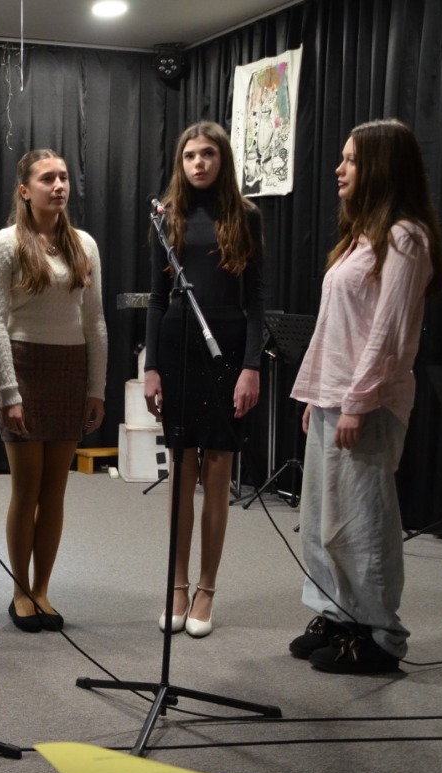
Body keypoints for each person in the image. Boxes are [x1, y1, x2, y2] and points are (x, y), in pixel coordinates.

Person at [287, 118, 442, 674]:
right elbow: (335, 326)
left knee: (363, 523)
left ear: (379, 168)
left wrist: (356, 402)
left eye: (351, 160)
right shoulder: (361, 237)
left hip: (369, 404)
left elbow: (388, 334)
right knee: (322, 520)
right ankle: (339, 615)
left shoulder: (406, 238)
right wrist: (315, 392)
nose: (339, 169)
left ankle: (381, 635)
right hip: (333, 396)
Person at [143, 121, 264, 638]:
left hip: (227, 349)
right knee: (181, 471)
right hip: (177, 347)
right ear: (181, 161)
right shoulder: (165, 216)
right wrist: (151, 366)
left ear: (222, 159)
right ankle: (176, 585)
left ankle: (207, 588)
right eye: (190, 155)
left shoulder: (246, 216)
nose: (198, 163)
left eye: (208, 154)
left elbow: (256, 300)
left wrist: (251, 367)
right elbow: (156, 297)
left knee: (217, 472)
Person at [0, 149, 108, 633]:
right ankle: (19, 591)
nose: (58, 186)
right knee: (27, 487)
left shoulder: (84, 245)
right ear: (24, 190)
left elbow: (95, 322)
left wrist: (96, 387)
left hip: (70, 369)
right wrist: (9, 391)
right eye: (47, 178)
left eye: (64, 177)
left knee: (55, 490)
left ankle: (42, 589)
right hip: (25, 367)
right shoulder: (5, 244)